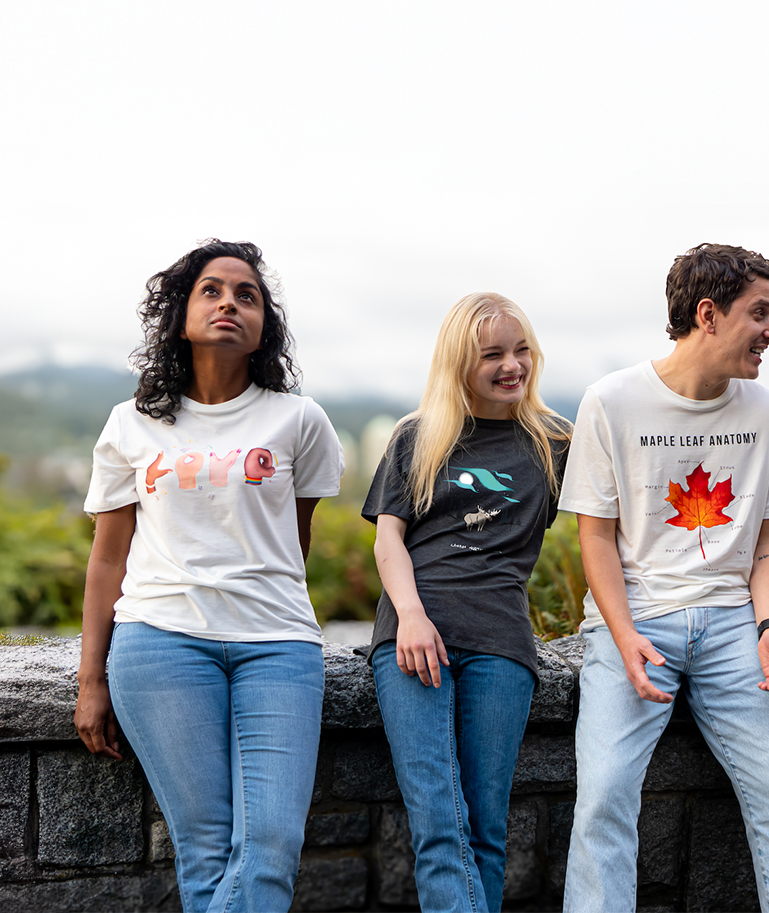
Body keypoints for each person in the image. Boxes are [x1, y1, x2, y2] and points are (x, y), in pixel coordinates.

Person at [558, 243, 769, 912]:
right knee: (602, 804)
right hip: (635, 622)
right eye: (760, 313)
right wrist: (622, 637)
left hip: (735, 624)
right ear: (708, 315)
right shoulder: (612, 401)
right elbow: (594, 534)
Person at [73, 239, 344, 913]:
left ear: (263, 327)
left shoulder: (299, 420)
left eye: (246, 294)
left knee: (272, 847)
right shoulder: (131, 423)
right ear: (181, 315)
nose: (229, 302)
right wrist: (91, 680)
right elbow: (107, 558)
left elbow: (294, 541)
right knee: (205, 849)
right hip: (159, 641)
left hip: (278, 645)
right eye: (212, 291)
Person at [361, 293, 572, 912]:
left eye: (521, 349)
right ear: (459, 362)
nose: (512, 365)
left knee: (485, 831)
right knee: (439, 826)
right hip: (412, 638)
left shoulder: (555, 443)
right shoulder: (419, 436)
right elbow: (388, 539)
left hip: (501, 642)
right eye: (493, 355)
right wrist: (412, 617)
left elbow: (613, 526)